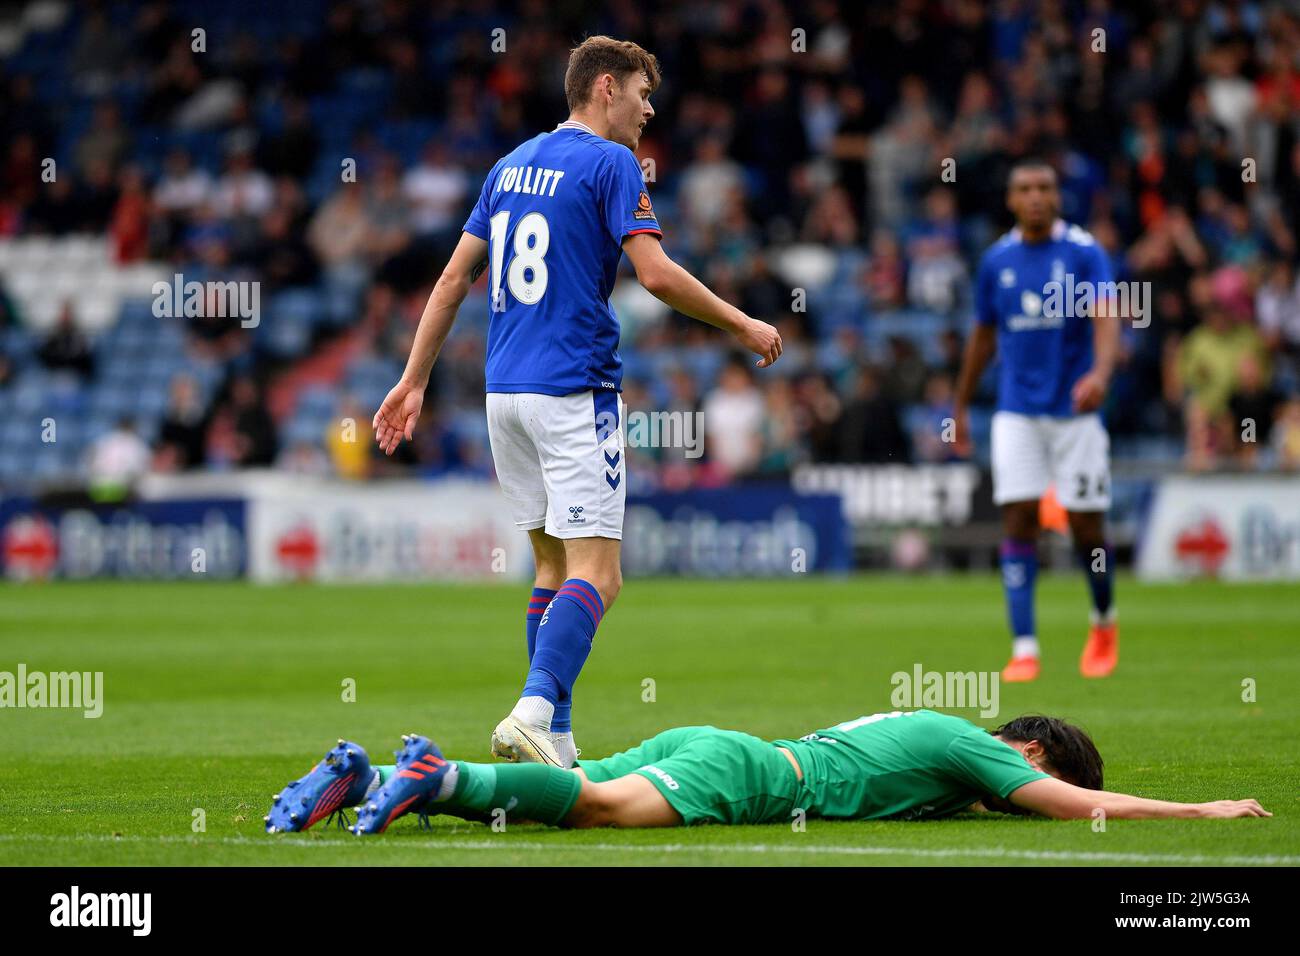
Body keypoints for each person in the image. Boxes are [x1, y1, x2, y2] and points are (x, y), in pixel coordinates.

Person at [371, 36, 782, 768]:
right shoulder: (612, 162)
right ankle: (533, 709)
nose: (649, 109)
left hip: (504, 395)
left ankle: (553, 736)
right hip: (571, 389)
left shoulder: (509, 165)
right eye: (641, 93)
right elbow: (653, 275)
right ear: (603, 89)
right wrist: (742, 321)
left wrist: (413, 379)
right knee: (601, 573)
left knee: (552, 570)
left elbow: (450, 282)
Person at [263, 710, 1269, 835]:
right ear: (1033, 749)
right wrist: (1196, 804)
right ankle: (432, 782)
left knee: (555, 799)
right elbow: (1073, 800)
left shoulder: (929, 738)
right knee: (602, 810)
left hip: (717, 739)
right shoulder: (981, 748)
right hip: (755, 775)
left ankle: (396, 770)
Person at [953, 160, 1120, 683]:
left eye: (1044, 188)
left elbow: (1108, 314)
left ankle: (1103, 620)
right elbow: (982, 337)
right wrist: (959, 406)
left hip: (1075, 411)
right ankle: (1024, 647)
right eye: (1024, 188)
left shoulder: (1084, 252)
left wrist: (1100, 373)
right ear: (1010, 199)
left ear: (1057, 195)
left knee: (1085, 526)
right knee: (1019, 518)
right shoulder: (996, 261)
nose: (1035, 197)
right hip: (1015, 412)